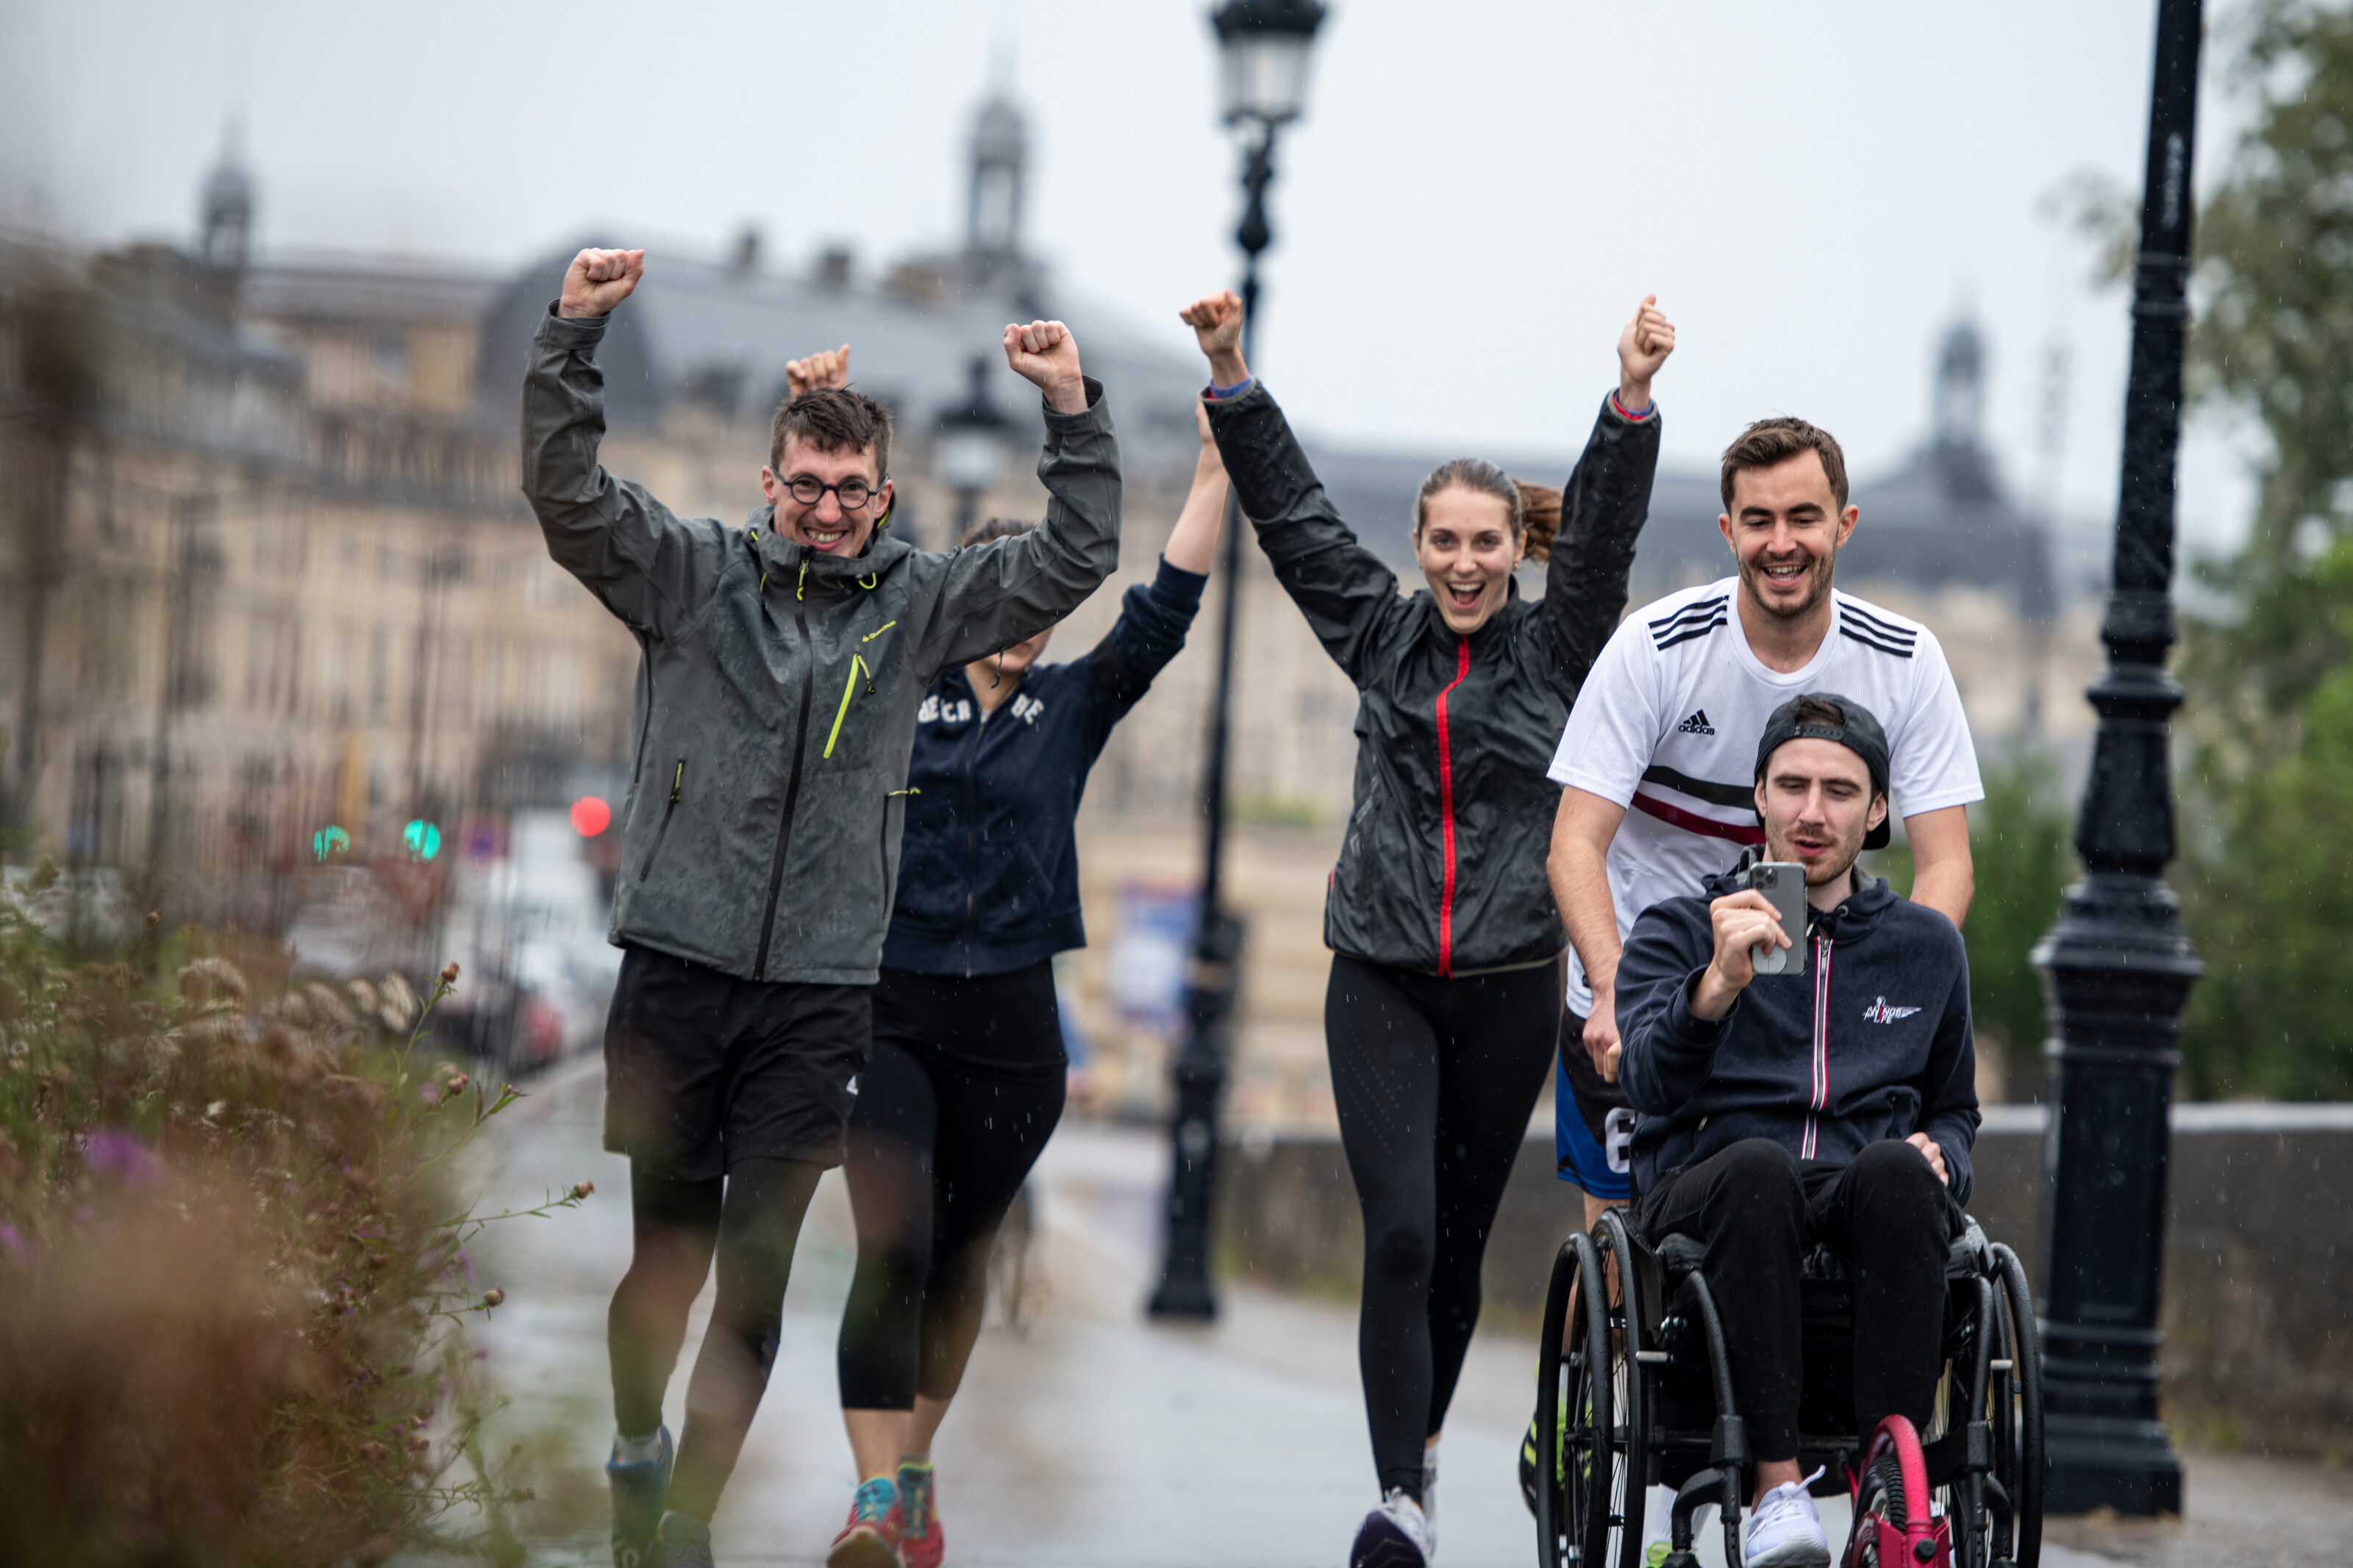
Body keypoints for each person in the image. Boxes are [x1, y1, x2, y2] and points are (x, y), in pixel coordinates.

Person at [521, 248, 1124, 1568]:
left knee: (754, 1276)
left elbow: (1079, 551)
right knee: (667, 1269)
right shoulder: (689, 578)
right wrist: (572, 335)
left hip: (819, 991)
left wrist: (1070, 408)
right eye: (808, 484)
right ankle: (636, 1444)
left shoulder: (919, 608)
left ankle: (685, 1524)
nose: (829, 508)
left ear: (885, 497)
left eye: (853, 491)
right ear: (770, 482)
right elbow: (567, 497)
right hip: (679, 966)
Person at [1182, 285, 1674, 1568]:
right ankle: (1401, 1496)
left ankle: (1427, 1450)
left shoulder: (1561, 648)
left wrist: (1627, 402)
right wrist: (1230, 372)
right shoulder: (1381, 636)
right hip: (1384, 976)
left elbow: (1606, 536)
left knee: (1456, 1240)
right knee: (1398, 1229)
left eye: (1484, 543)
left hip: (1512, 980)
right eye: (1442, 540)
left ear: (1515, 550)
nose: (1462, 563)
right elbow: (1290, 521)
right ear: (1418, 545)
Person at [821, 385, 1232, 1568]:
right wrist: (817, 411)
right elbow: (843, 561)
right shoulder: (898, 686)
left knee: (959, 1261)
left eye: (1042, 606)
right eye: (1003, 604)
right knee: (889, 1246)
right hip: (888, 1006)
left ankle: (910, 1469)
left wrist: (1212, 473)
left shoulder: (1070, 705)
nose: (1023, 624)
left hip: (1012, 1026)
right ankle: (870, 1504)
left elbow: (1165, 608)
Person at [1544, 415, 1982, 1225]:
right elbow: (1574, 842)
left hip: (1819, 992)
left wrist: (1895, 992)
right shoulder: (1655, 651)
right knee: (1623, 1246)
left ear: (1842, 526)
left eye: (1802, 518)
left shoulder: (1905, 662)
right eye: (1758, 521)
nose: (1781, 544)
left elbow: (1945, 862)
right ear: (1727, 531)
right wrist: (1611, 988)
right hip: (1649, 980)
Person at [1613, 692, 1979, 1568]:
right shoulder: (1680, 926)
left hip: (1859, 1191)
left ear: (1878, 811)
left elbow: (1954, 1111)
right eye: (1791, 786)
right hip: (1717, 1186)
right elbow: (1642, 1085)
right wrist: (1714, 986)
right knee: (1757, 1166)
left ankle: (1884, 1486)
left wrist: (1946, 1158)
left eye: (1840, 791)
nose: (1811, 813)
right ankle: (1778, 1490)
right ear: (1757, 797)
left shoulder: (1925, 948)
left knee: (1900, 1171)